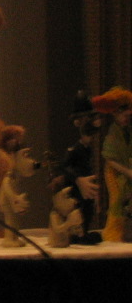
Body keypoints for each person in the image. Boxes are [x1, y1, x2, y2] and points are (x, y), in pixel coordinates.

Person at [54, 91, 102, 243]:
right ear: (78, 122)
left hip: (86, 187)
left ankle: (83, 232)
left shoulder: (87, 148)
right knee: (79, 209)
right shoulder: (75, 149)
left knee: (88, 208)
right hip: (76, 188)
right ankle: (77, 234)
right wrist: (78, 180)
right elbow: (64, 166)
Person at [92, 86, 132, 242]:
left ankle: (125, 230)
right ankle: (114, 231)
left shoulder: (127, 131)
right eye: (124, 116)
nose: (126, 119)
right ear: (116, 114)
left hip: (126, 169)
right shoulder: (113, 133)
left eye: (128, 116)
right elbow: (110, 158)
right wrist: (127, 172)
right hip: (115, 172)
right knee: (117, 200)